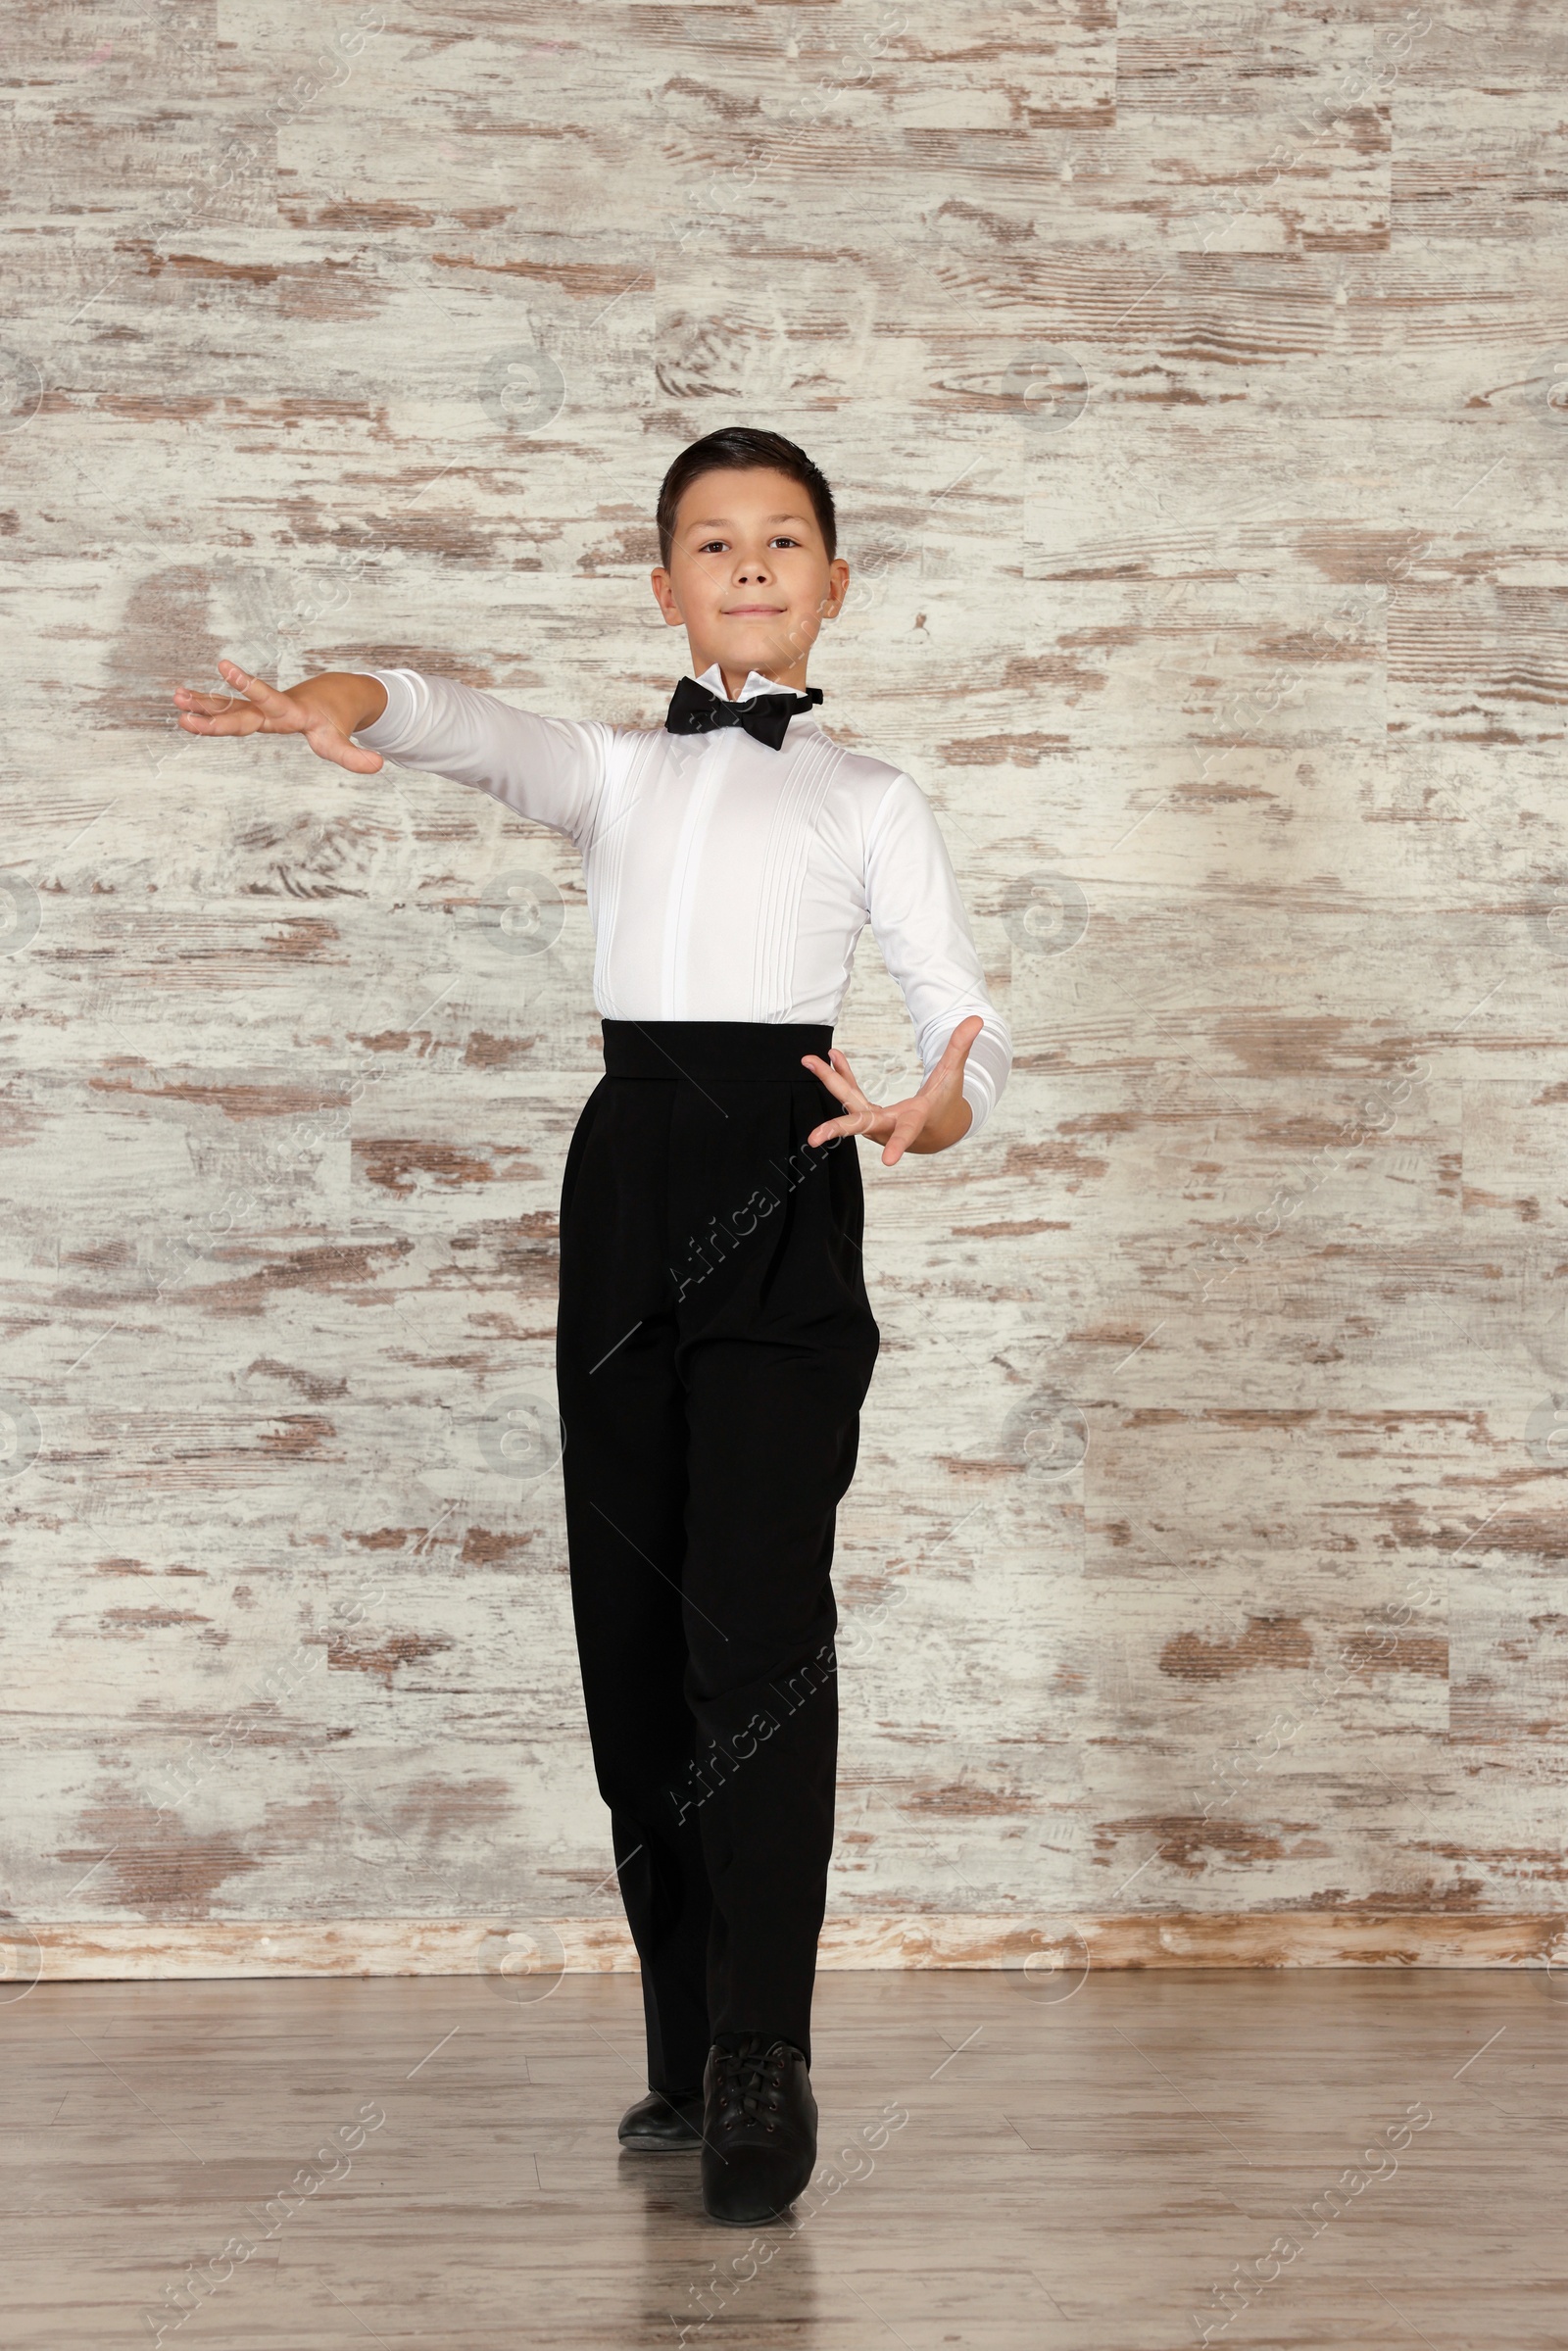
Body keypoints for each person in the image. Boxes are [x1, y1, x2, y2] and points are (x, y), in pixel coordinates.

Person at [172, 425, 1012, 2227]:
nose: (755, 563)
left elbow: (962, 1022)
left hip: (792, 1183)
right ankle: (684, 2042)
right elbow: (460, 723)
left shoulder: (870, 795)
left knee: (758, 1619)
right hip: (628, 1194)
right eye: (716, 541)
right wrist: (342, 694)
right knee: (629, 1622)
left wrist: (929, 1111)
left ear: (836, 581)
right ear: (666, 585)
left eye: (788, 538)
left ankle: (768, 2054)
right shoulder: (619, 774)